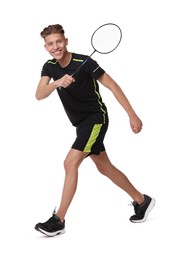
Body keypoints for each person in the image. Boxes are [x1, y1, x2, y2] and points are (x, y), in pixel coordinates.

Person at [34, 24, 155, 237]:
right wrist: (57, 83)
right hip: (81, 124)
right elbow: (39, 94)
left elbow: (113, 85)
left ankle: (58, 219)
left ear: (66, 41)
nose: (56, 47)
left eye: (59, 41)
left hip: (96, 119)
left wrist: (132, 115)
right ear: (46, 47)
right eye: (51, 44)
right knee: (104, 167)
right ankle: (142, 201)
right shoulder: (49, 67)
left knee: (70, 163)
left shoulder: (85, 62)